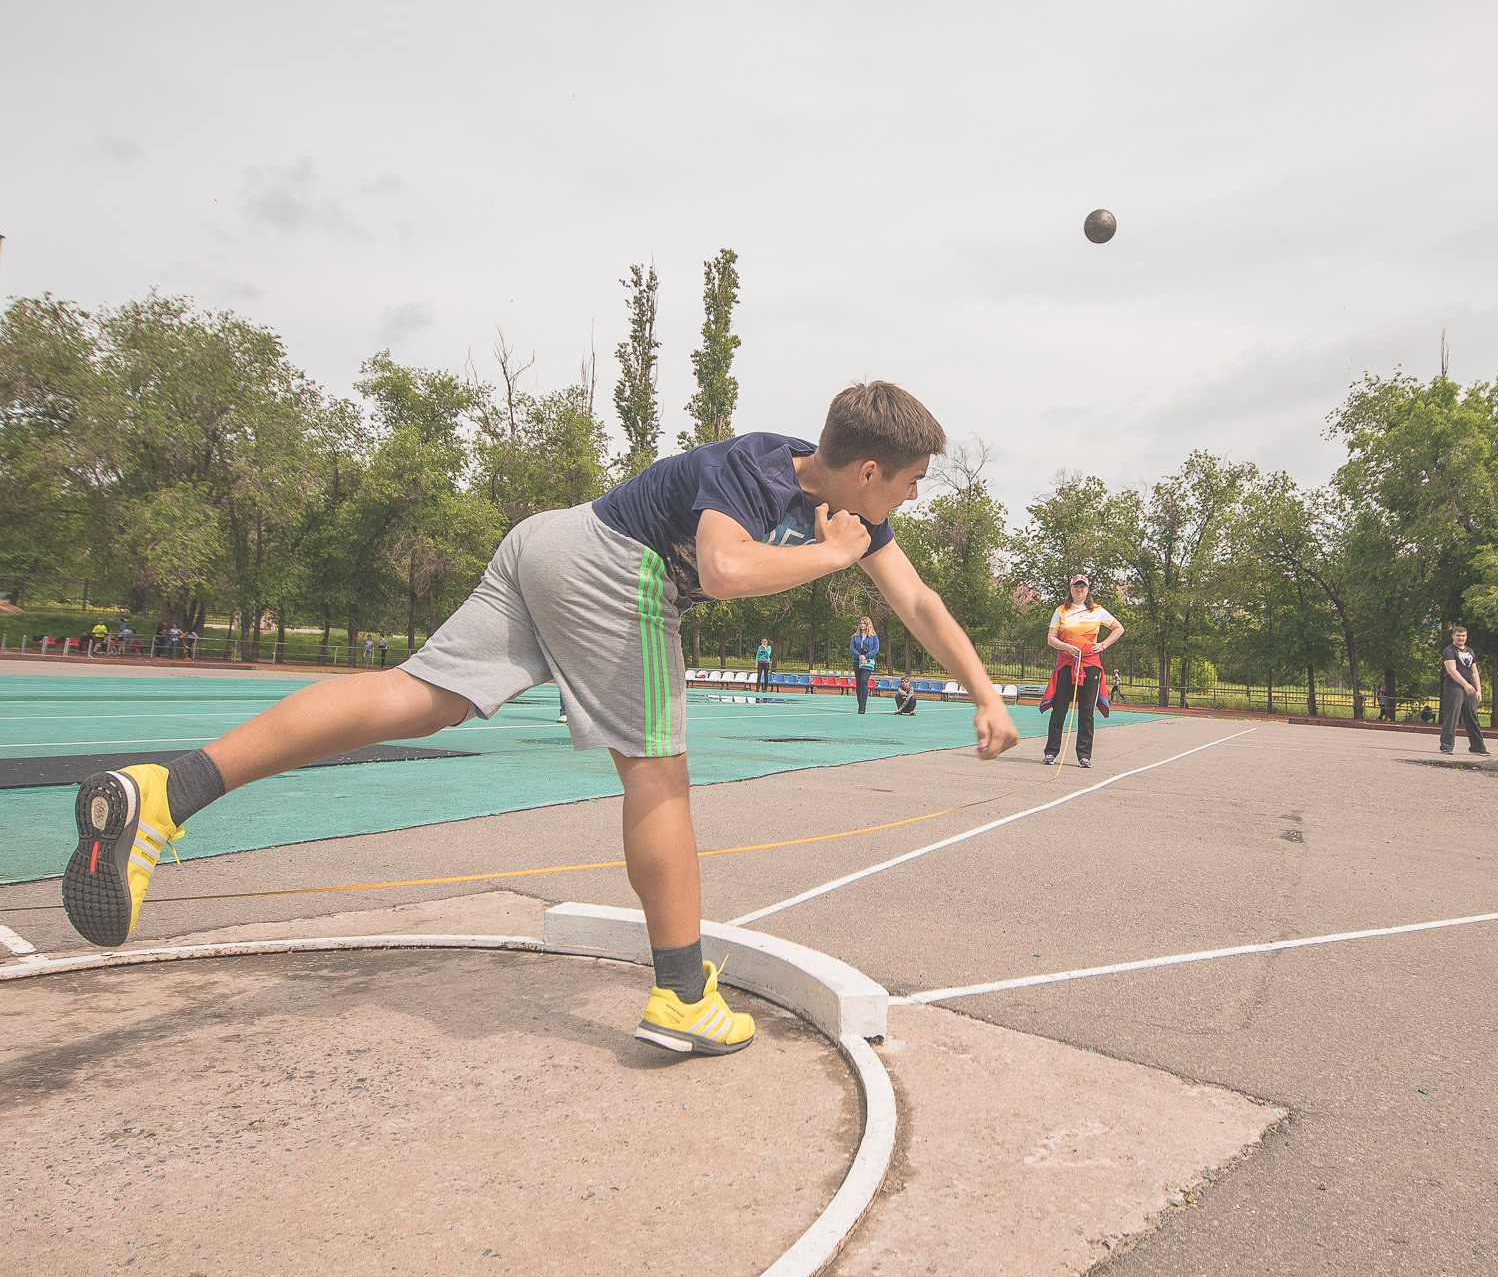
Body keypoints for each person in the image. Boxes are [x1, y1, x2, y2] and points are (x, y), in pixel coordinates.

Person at [57, 381, 1017, 1059]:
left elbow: (921, 603)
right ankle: (684, 996)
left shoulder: (846, 509)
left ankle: (169, 789)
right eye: (912, 481)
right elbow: (724, 570)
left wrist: (981, 689)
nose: (913, 498)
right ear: (870, 469)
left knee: (418, 695)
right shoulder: (756, 471)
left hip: (551, 538)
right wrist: (828, 559)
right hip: (609, 563)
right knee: (658, 772)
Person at [1040, 574, 1121, 769]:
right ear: (1071, 589)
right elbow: (1051, 639)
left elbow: (1118, 628)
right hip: (1067, 663)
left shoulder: (1097, 611)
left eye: (1083, 587)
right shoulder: (1061, 611)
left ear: (1087, 590)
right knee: (1059, 709)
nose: (1079, 590)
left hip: (1090, 664)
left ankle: (1084, 755)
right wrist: (1066, 647)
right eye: (1076, 587)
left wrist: (1103, 645)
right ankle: (1051, 752)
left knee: (1086, 711)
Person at [1439, 625, 1489, 756]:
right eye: (1458, 635)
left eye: (1463, 636)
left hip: (1469, 687)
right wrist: (1465, 684)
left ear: (1466, 637)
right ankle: (1446, 745)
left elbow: (1475, 672)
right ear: (1453, 636)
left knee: (1472, 717)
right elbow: (1451, 670)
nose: (1461, 638)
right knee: (1452, 715)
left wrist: (1478, 690)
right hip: (1454, 686)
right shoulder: (1449, 651)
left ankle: (1478, 747)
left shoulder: (1470, 651)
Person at [849, 616, 880, 714]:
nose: (862, 625)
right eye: (861, 623)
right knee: (858, 682)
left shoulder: (874, 637)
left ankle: (863, 704)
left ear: (868, 625)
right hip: (857, 661)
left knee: (863, 680)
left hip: (867, 662)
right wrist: (859, 656)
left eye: (864, 623)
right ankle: (859, 703)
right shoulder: (855, 636)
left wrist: (866, 656)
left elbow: (876, 649)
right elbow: (852, 648)